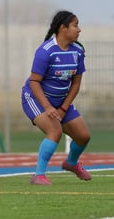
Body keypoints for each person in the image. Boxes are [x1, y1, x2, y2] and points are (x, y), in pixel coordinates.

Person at [21, 10, 91, 185]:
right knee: (55, 131)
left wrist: (63, 108)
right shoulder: (45, 51)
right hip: (35, 98)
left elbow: (75, 84)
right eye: (75, 25)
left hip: (60, 103)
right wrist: (48, 107)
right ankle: (38, 175)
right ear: (63, 28)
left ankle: (71, 163)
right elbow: (35, 82)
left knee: (83, 136)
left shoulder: (78, 52)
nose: (79, 29)